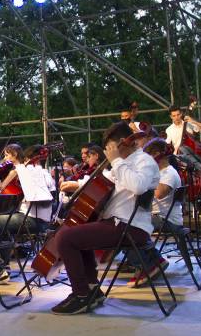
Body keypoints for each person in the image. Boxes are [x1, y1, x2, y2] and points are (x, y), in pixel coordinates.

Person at [51, 122, 159, 315]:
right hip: (118, 223)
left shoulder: (144, 161)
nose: (108, 152)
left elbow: (139, 186)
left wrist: (116, 160)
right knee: (74, 234)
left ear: (122, 143)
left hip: (130, 227)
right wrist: (74, 183)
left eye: (110, 147)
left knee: (65, 239)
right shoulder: (124, 163)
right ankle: (92, 289)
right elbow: (104, 178)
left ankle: (81, 295)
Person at [0, 145, 55, 283]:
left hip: (29, 219)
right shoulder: (43, 172)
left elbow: (0, 188)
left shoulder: (21, 170)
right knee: (2, 227)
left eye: (7, 155)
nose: (5, 158)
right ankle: (3, 265)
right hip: (44, 221)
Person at [125, 138, 184, 288]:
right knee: (124, 221)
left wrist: (144, 178)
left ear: (157, 154)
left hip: (166, 219)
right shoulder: (159, 172)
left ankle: (145, 265)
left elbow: (158, 194)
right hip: (157, 216)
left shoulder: (169, 173)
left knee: (126, 227)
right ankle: (152, 259)